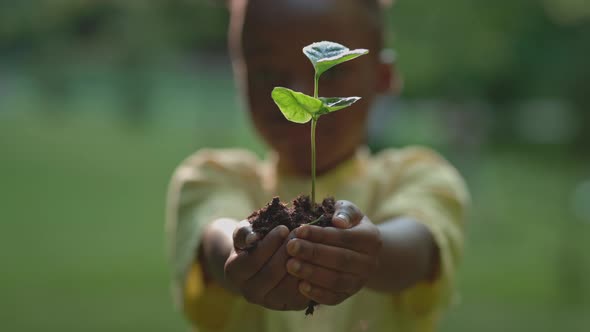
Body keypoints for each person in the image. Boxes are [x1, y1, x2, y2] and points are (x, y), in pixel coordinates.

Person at [166, 0, 469, 331]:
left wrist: (370, 253)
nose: (301, 91)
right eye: (269, 73)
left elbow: (418, 246)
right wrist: (242, 250)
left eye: (333, 71)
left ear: (382, 78)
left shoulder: (419, 176)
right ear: (240, 77)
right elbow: (216, 235)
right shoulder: (213, 178)